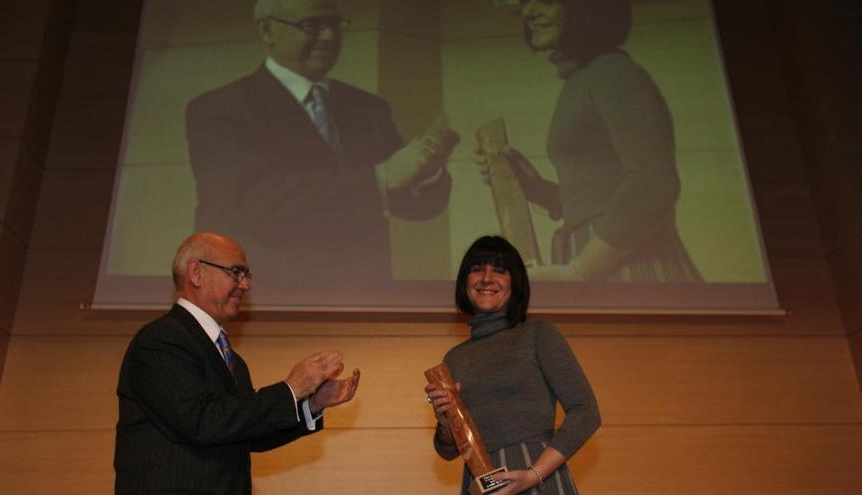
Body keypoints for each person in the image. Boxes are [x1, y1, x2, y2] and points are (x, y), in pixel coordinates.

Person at [186, 0, 456, 284]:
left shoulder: (368, 108)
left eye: (334, 25)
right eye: (311, 25)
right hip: (271, 300)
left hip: (364, 295)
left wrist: (427, 170)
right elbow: (249, 200)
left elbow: (411, 204)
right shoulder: (220, 108)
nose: (329, 37)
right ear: (267, 31)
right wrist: (381, 177)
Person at [114, 232, 360, 494]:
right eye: (236, 272)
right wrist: (294, 387)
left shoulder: (232, 359)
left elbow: (247, 432)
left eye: (246, 275)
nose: (245, 285)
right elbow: (202, 422)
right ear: (196, 273)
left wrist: (312, 403)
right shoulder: (161, 340)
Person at [478, 0, 701, 282]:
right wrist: (537, 189)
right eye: (525, 2)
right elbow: (605, 197)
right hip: (615, 266)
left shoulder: (613, 73)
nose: (527, 12)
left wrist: (578, 273)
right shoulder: (588, 77)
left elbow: (654, 183)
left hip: (632, 272)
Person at [425, 235, 600, 495]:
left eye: (499, 271)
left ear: (515, 282)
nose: (486, 278)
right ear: (465, 282)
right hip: (480, 484)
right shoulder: (454, 358)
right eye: (476, 270)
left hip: (538, 478)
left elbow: (586, 412)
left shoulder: (539, 333)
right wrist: (445, 424)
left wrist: (534, 475)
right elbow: (447, 452)